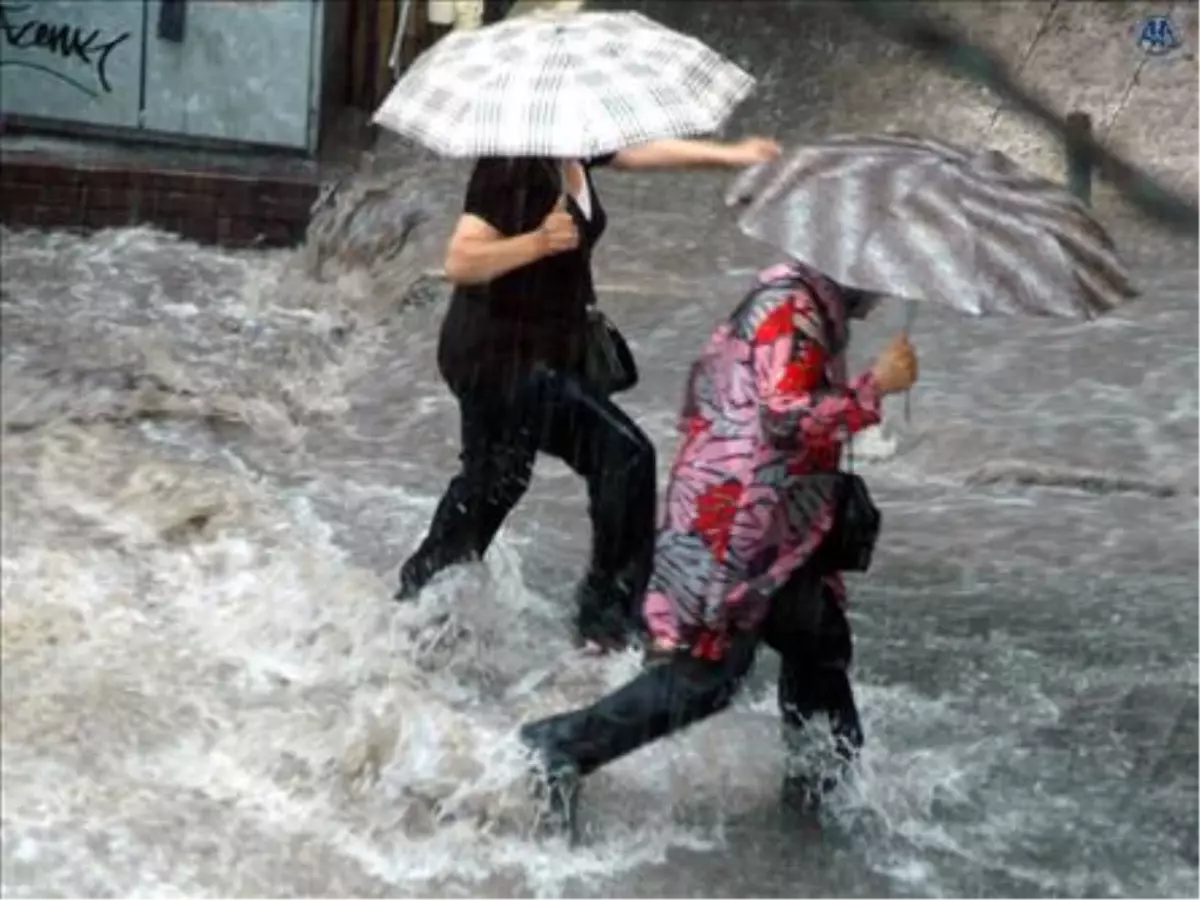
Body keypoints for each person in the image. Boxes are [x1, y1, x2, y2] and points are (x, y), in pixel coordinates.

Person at [519, 260, 920, 839]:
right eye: (879, 279)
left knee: (820, 647)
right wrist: (874, 387)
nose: (885, 294)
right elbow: (787, 420)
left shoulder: (810, 309)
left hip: (779, 524)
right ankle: (558, 748)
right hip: (735, 529)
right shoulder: (790, 309)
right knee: (704, 679)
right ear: (848, 270)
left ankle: (821, 799)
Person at [395, 138, 782, 651]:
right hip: (501, 358)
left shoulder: (572, 147)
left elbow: (637, 153)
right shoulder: (514, 164)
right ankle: (608, 623)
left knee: (496, 480)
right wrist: (536, 242)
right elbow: (462, 259)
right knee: (625, 456)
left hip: (530, 353)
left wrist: (731, 156)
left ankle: (415, 599)